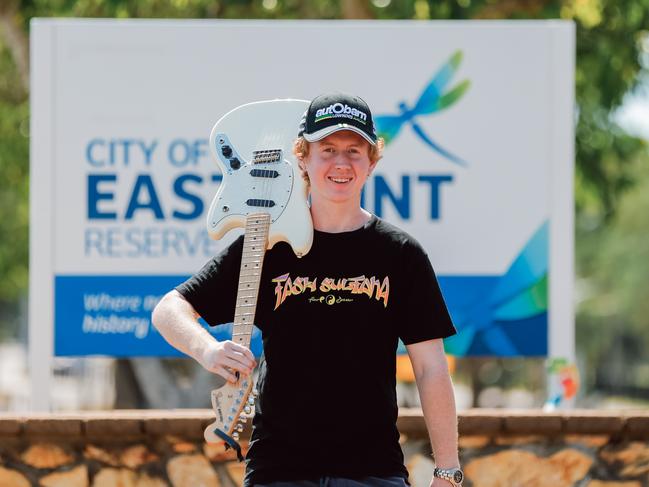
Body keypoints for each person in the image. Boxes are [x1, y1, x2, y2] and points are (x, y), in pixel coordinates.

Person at [152, 93, 462, 487]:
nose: (341, 162)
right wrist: (208, 350)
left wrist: (447, 472)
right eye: (327, 149)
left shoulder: (400, 254)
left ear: (371, 162)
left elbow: (431, 368)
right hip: (279, 472)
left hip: (372, 471)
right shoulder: (266, 245)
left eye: (354, 150)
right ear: (302, 157)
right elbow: (169, 309)